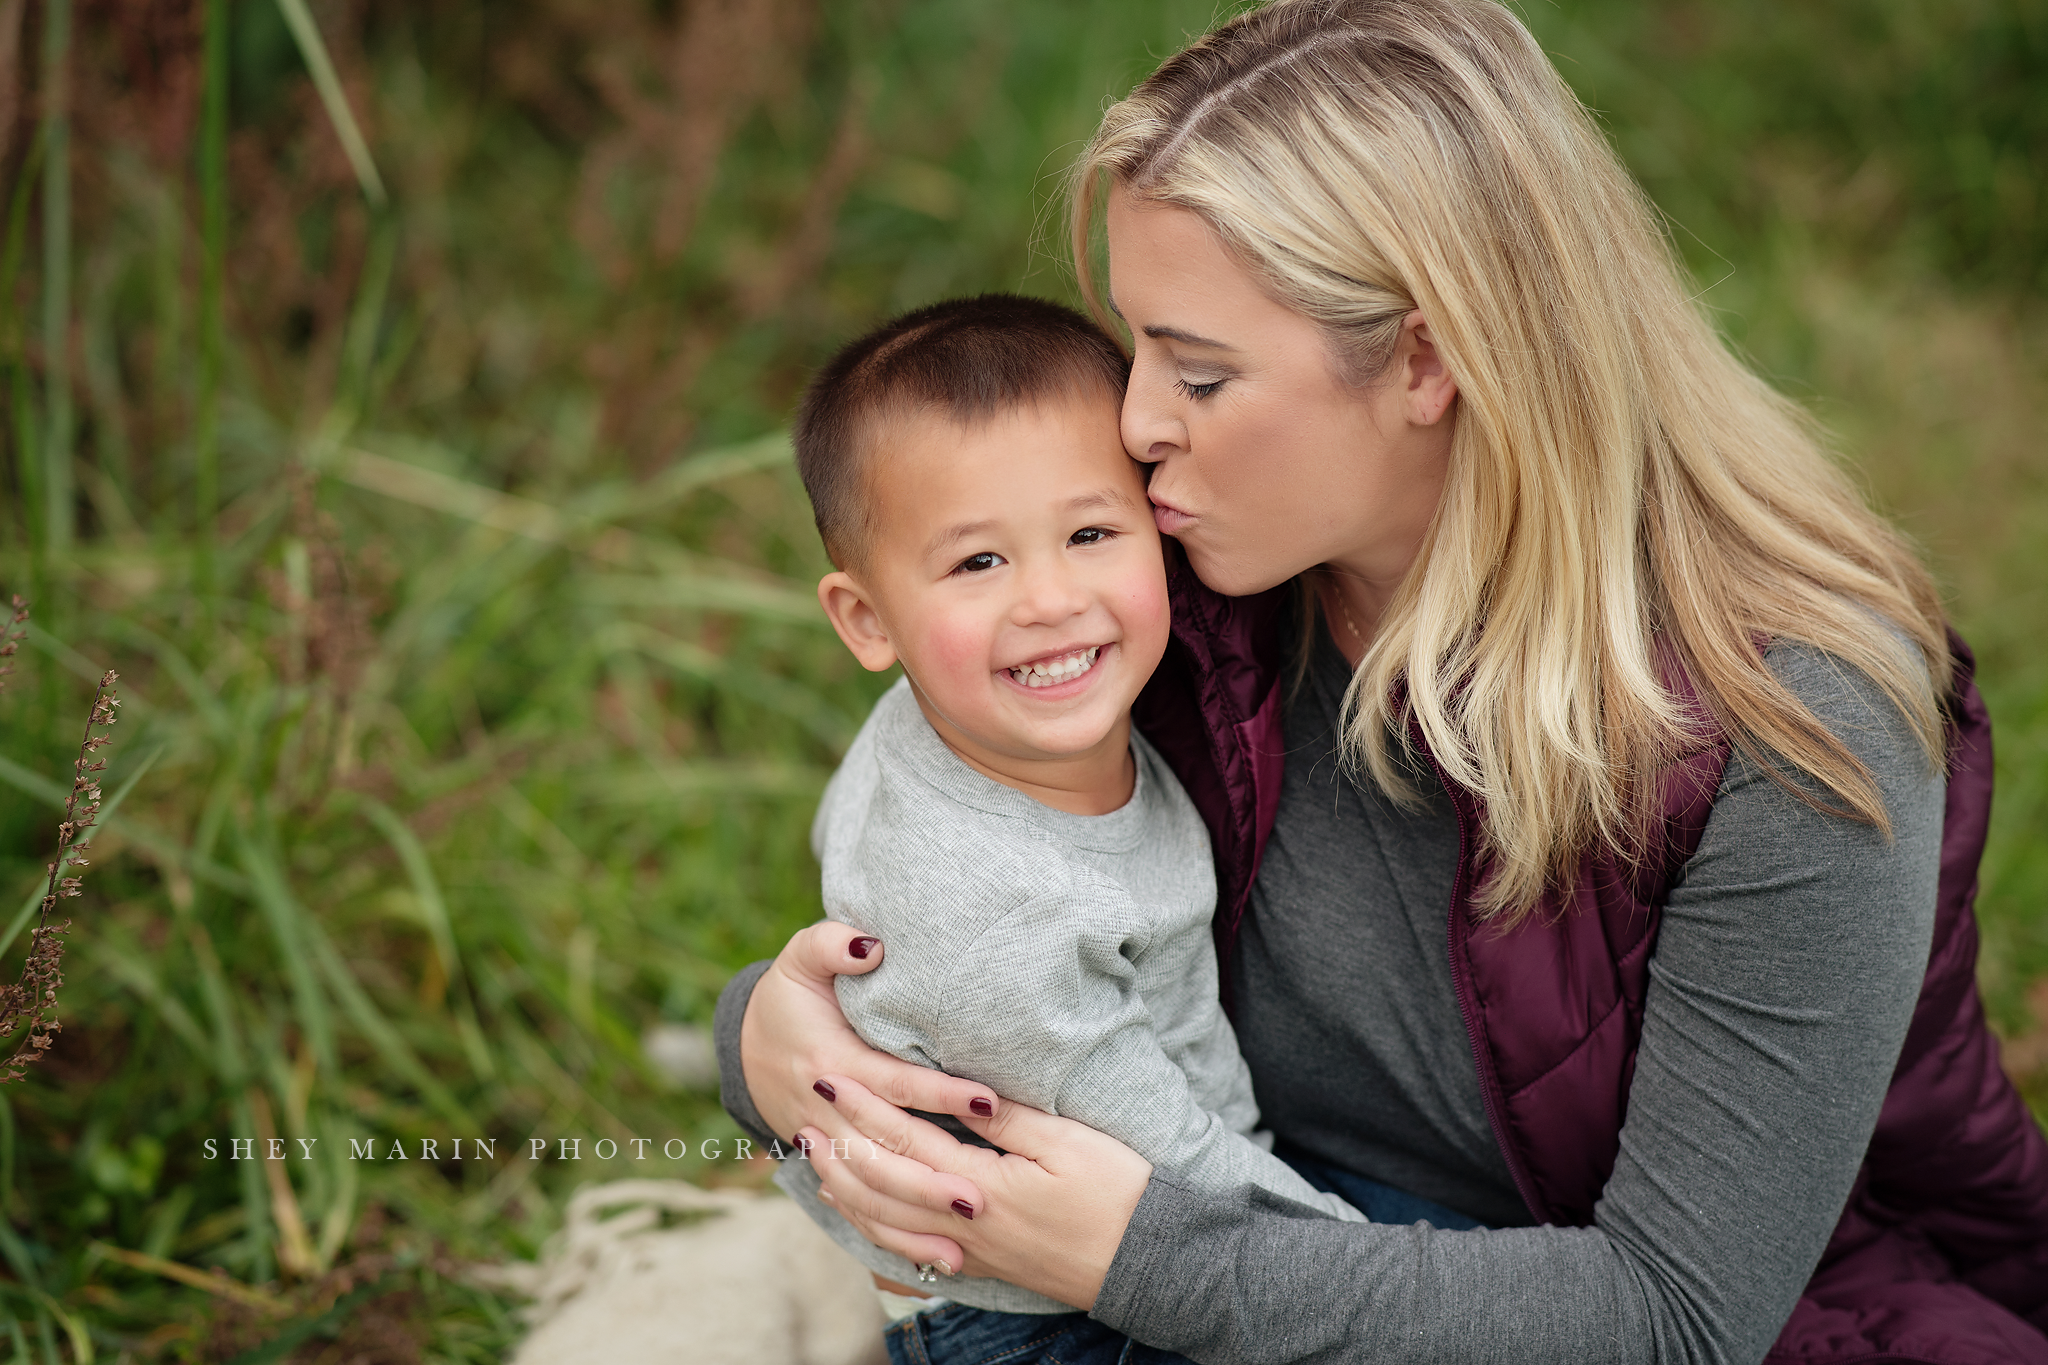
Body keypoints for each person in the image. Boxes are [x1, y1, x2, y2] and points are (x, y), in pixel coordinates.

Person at [717, 2, 2048, 1361]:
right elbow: (974, 883)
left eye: (1201, 369)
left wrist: (1134, 1255)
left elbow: (1678, 1316)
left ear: (1425, 359)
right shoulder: (1167, 587)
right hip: (1244, 1237)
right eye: (1138, 348)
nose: (1133, 424)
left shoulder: (1801, 721)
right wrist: (768, 1042)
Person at [773, 293, 1379, 1365]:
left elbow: (837, 826)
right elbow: (1168, 1177)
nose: (1050, 598)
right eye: (977, 563)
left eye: (1090, 533)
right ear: (867, 621)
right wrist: (1363, 1271)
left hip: (1152, 1201)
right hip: (1045, 1307)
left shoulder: (953, 717)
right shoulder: (999, 926)